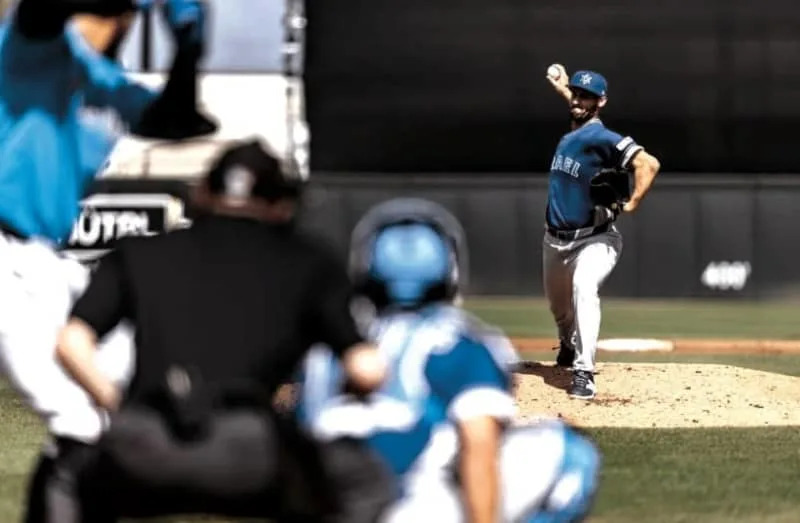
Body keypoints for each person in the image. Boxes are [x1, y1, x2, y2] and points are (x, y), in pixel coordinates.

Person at [54, 139, 393, 522]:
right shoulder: (308, 260)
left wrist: (119, 405)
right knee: (365, 483)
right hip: (251, 452)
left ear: (201, 193)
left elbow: (71, 342)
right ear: (283, 205)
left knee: (65, 475)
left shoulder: (141, 250)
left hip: (145, 443)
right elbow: (367, 369)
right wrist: (344, 395)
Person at [0, 1, 219, 520]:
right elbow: (39, 13)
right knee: (81, 422)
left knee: (113, 402)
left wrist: (188, 49)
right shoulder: (32, 48)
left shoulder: (103, 79)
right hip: (6, 252)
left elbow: (177, 120)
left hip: (42, 259)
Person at [297, 197, 603, 523]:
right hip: (407, 507)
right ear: (451, 267)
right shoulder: (457, 340)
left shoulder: (325, 344)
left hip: (328, 501)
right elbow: (479, 446)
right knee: (570, 452)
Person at [542, 64, 661, 399]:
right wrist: (565, 89)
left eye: (587, 96)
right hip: (554, 240)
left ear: (601, 101)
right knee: (559, 310)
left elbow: (649, 164)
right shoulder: (574, 132)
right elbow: (578, 108)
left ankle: (584, 372)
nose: (578, 100)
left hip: (594, 239)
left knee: (584, 287)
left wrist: (632, 203)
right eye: (576, 94)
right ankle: (567, 344)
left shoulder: (602, 138)